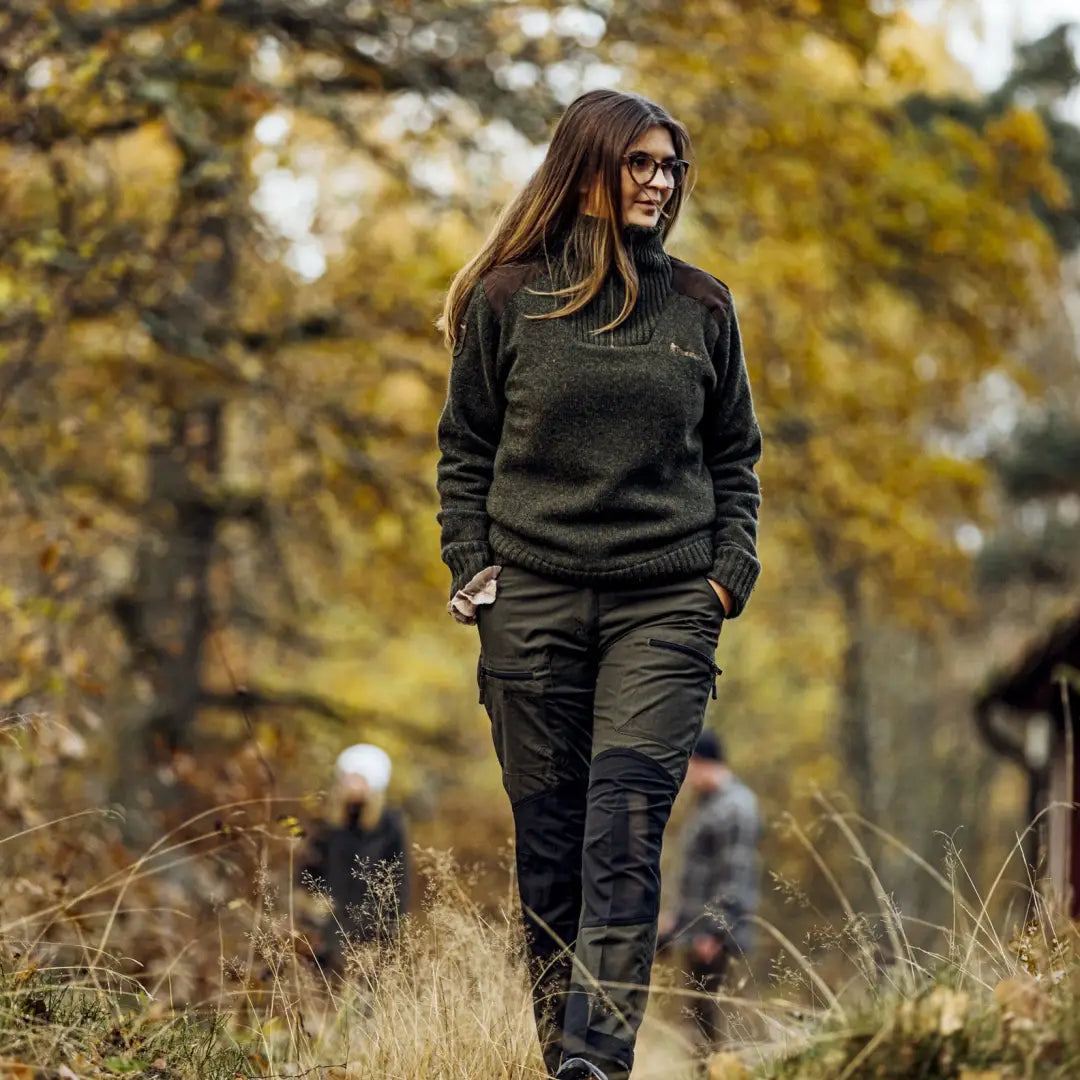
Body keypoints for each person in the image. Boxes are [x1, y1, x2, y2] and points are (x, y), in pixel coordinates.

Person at [436, 88, 762, 1080]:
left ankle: (595, 1067)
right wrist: (472, 569)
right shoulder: (505, 301)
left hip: (665, 604)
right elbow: (465, 452)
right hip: (531, 600)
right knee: (552, 855)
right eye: (642, 165)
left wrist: (726, 577)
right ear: (586, 169)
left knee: (622, 838)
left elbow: (737, 456)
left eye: (671, 168)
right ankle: (561, 1059)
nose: (661, 183)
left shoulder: (702, 308)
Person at [662, 729, 760, 1047]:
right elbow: (698, 875)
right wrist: (677, 919)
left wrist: (716, 932)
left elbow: (735, 874)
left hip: (714, 936)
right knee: (698, 1019)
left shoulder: (735, 808)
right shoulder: (709, 805)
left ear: (702, 763)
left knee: (709, 1021)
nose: (687, 776)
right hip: (696, 930)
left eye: (689, 766)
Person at [295, 743, 410, 973]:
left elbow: (399, 880)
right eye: (348, 778)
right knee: (325, 986)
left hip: (371, 927)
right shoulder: (328, 822)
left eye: (359, 778)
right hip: (329, 925)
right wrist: (310, 907)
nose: (352, 784)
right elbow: (308, 870)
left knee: (363, 991)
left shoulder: (390, 825)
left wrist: (389, 926)